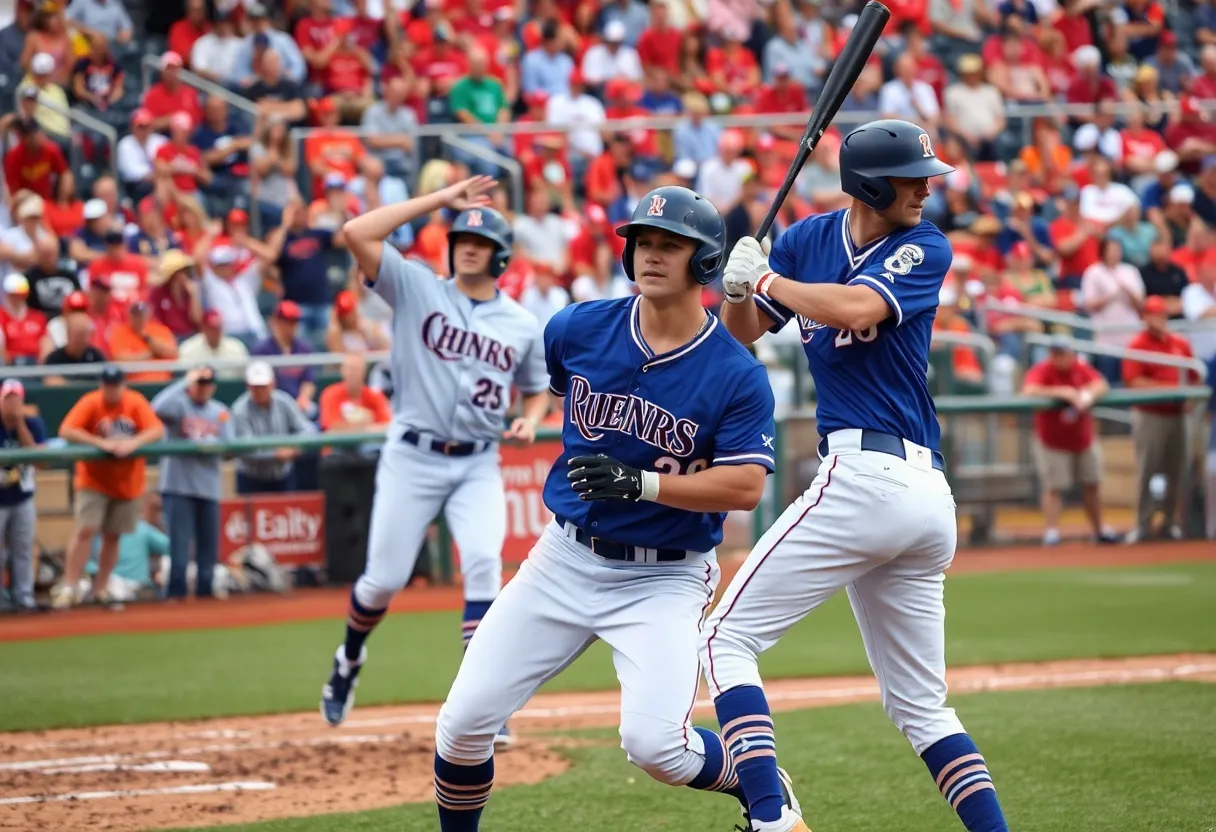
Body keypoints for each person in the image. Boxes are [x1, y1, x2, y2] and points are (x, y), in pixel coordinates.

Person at [431, 184, 778, 832]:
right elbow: (564, 390)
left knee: (657, 747)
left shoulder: (735, 373)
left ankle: (756, 780)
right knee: (461, 727)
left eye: (669, 246)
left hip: (663, 575)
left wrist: (642, 483)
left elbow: (744, 488)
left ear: (703, 263)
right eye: (643, 241)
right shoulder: (576, 328)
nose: (650, 254)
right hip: (563, 557)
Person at [703, 120, 1011, 832]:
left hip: (875, 478)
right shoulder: (811, 236)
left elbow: (857, 307)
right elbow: (744, 329)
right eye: (914, 177)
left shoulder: (924, 245)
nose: (927, 188)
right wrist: (738, 286)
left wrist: (770, 275)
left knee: (722, 639)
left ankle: (772, 817)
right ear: (872, 183)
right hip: (907, 496)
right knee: (922, 709)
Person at [319, 177, 551, 755]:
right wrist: (439, 201)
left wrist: (531, 417)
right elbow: (355, 231)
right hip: (412, 455)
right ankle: (349, 656)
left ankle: (483, 704)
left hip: (477, 462)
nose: (467, 248)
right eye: (460, 240)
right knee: (383, 581)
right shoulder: (416, 285)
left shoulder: (522, 324)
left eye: (479, 243)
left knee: (482, 567)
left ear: (499, 255)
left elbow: (537, 388)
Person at [52, 367, 165, 610]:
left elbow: (156, 430)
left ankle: (100, 589)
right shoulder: (91, 402)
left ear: (123, 385)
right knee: (86, 529)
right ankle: (69, 586)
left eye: (115, 385)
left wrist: (133, 442)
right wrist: (100, 443)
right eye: (107, 385)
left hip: (127, 483)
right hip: (94, 480)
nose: (111, 390)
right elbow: (66, 430)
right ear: (101, 385)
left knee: (113, 536)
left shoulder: (134, 402)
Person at [1022, 335, 1118, 545]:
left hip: (1083, 439)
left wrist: (1087, 395)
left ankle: (1099, 529)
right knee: (1054, 487)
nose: (1060, 358)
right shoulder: (1043, 369)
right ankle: (1052, 532)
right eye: (1056, 353)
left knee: (1092, 483)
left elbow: (1101, 384)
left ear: (1071, 354)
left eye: (1064, 353)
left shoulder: (1080, 368)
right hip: (1052, 441)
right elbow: (1028, 391)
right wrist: (1063, 392)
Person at [1122, 296, 1198, 542]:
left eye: (1162, 314)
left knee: (1177, 470)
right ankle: (1142, 524)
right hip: (1150, 414)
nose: (1159, 319)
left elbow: (1195, 377)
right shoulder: (1138, 345)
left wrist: (1189, 399)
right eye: (1154, 314)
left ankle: (1169, 522)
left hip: (1177, 414)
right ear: (1145, 317)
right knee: (1148, 469)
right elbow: (1134, 382)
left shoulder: (1179, 343)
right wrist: (1171, 387)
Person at [151, 367, 232, 599]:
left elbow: (229, 446)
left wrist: (210, 445)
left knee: (209, 547)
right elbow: (156, 407)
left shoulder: (220, 411)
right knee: (179, 547)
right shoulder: (179, 405)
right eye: (199, 383)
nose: (203, 387)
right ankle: (175, 594)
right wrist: (183, 382)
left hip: (209, 487)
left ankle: (205, 594)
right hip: (178, 487)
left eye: (207, 383)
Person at [0, 379, 46, 613]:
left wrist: (20, 425)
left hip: (22, 497)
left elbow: (40, 461)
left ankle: (24, 597)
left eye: (15, 399)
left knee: (22, 551)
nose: (11, 404)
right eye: (7, 398)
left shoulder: (32, 423)